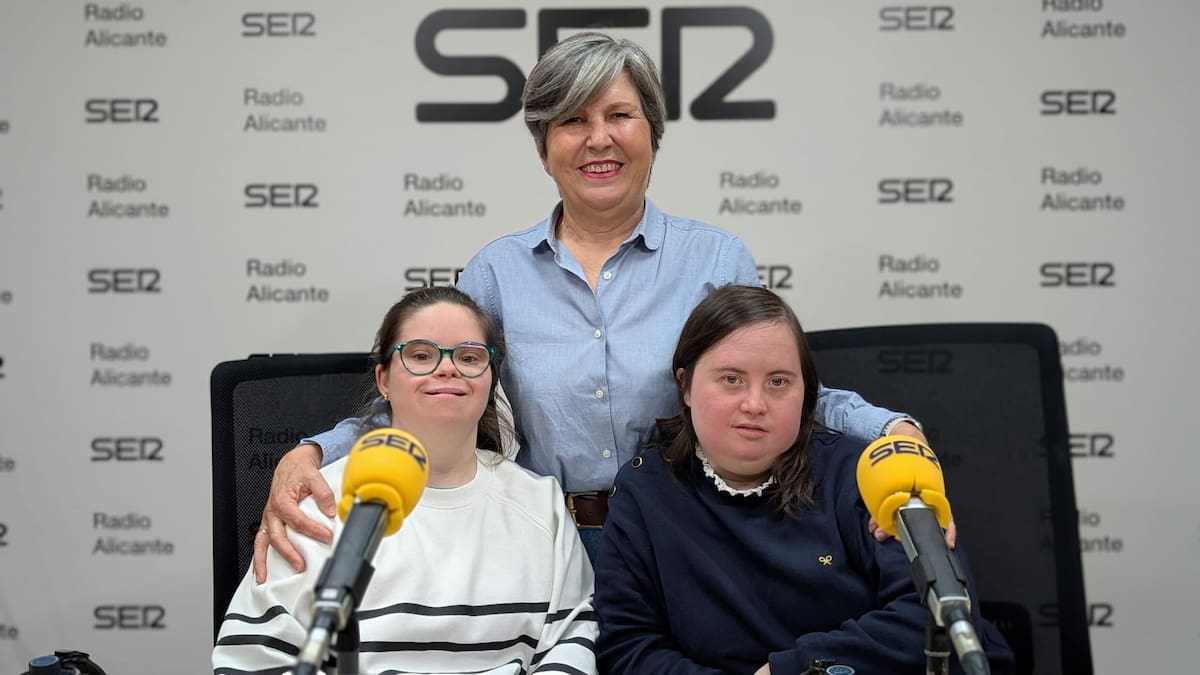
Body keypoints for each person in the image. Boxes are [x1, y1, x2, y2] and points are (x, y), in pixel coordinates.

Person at [255, 31, 930, 576]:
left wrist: (887, 423)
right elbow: (430, 393)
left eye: (619, 116)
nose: (598, 138)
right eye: (572, 120)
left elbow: (773, 391)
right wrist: (314, 449)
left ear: (653, 135)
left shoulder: (713, 259)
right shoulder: (496, 270)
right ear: (545, 148)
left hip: (686, 542)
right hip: (533, 543)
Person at [593, 285, 1013, 674]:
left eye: (778, 382)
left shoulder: (862, 474)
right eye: (731, 380)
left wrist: (789, 670)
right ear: (685, 387)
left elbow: (938, 614)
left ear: (807, 394)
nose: (755, 404)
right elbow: (629, 648)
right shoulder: (644, 491)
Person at [213, 287, 596, 674]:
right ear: (383, 380)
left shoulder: (539, 504)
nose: (447, 369)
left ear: (491, 379)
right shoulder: (318, 504)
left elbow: (571, 642)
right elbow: (250, 660)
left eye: (468, 357)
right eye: (421, 356)